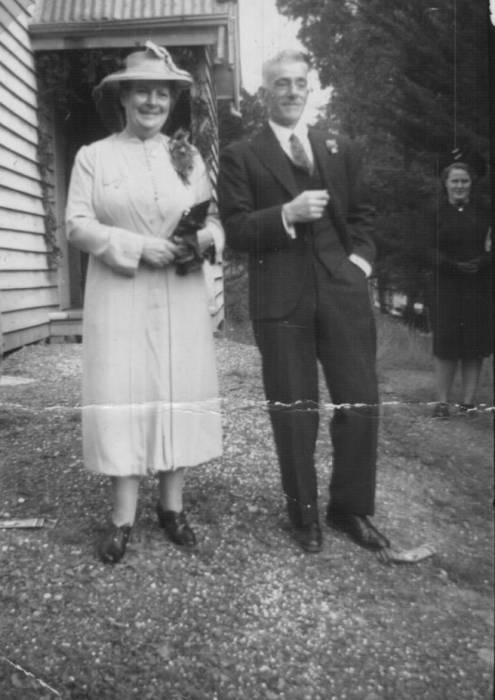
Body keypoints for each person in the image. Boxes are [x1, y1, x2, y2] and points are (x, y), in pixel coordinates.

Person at [218, 50, 389, 554]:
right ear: (266, 92)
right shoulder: (242, 155)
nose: (291, 91)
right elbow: (234, 229)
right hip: (281, 299)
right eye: (280, 84)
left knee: (360, 403)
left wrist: (359, 266)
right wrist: (286, 214)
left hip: (342, 291)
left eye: (299, 83)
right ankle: (304, 515)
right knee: (295, 411)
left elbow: (364, 216)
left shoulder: (339, 149)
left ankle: (349, 509)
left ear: (308, 89)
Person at [66, 42, 223, 564]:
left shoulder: (189, 157)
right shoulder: (94, 156)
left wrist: (195, 242)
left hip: (178, 292)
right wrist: (136, 246)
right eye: (142, 92)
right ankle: (122, 516)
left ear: (171, 101)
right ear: (123, 98)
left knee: (176, 389)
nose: (152, 101)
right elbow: (77, 225)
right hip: (120, 292)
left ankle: (172, 507)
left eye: (162, 93)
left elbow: (211, 222)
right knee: (123, 391)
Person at [420, 148, 492, 418]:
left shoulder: (485, 210)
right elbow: (425, 248)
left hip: (478, 285)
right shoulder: (434, 211)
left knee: (474, 346)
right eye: (455, 181)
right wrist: (451, 265)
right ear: (446, 183)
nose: (460, 186)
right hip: (446, 285)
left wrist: (483, 262)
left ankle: (469, 402)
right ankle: (442, 402)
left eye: (465, 181)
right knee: (446, 345)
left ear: (471, 184)